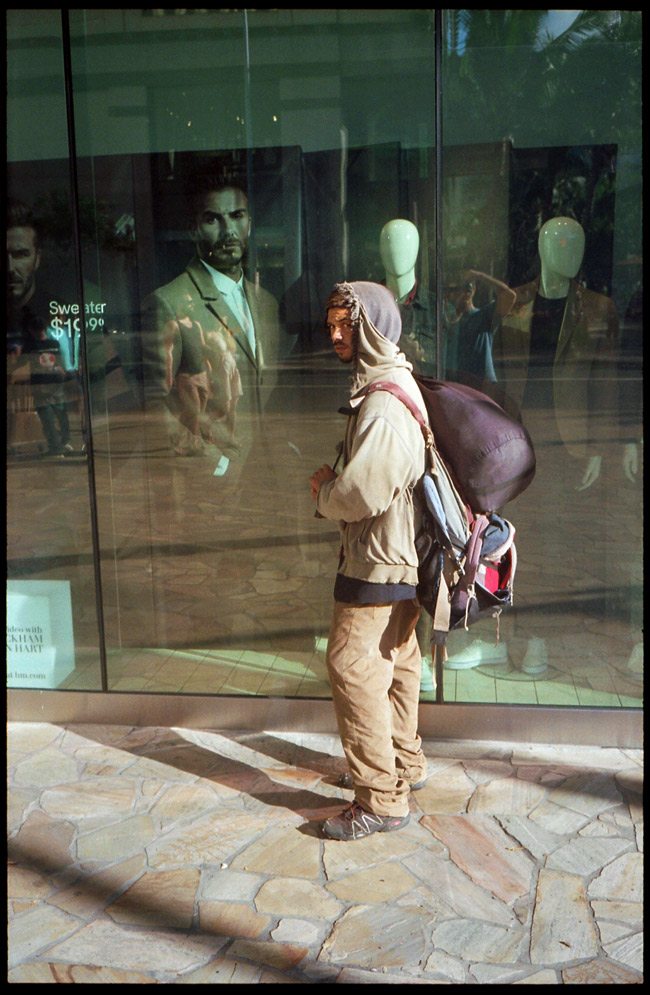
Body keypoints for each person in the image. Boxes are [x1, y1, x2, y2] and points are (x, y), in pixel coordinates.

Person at [445, 216, 620, 675]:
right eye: (559, 242)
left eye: (577, 243)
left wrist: (601, 444)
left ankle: (539, 637)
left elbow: (606, 380)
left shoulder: (598, 309)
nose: (570, 251)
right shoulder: (512, 302)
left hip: (566, 441)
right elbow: (483, 368)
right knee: (495, 536)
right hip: (510, 436)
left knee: (553, 541)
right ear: (541, 248)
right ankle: (496, 634)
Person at [309, 280, 429, 841]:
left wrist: (324, 492)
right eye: (331, 322)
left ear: (373, 327)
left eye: (346, 324)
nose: (335, 333)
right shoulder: (388, 383)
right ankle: (404, 764)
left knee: (352, 667)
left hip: (378, 559)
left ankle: (382, 797)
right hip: (401, 556)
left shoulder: (382, 403)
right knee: (397, 661)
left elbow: (362, 494)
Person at [140, 169, 281, 473]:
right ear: (194, 229)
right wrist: (213, 464)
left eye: (237, 215)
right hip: (209, 482)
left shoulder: (266, 303)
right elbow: (156, 406)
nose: (228, 230)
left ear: (250, 223)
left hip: (266, 472)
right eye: (213, 219)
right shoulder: (170, 302)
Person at [6, 200, 77, 456]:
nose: (9, 268)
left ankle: (60, 441)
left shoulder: (59, 310)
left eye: (21, 254)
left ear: (37, 259)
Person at [379, 219, 437, 376]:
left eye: (405, 246)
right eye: (389, 245)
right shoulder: (368, 308)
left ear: (416, 250)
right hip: (381, 393)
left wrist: (419, 355)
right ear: (381, 251)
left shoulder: (437, 309)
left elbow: (446, 364)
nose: (396, 252)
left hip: (424, 395)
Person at [443, 268, 515, 388]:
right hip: (458, 387)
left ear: (472, 291)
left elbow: (510, 296)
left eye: (465, 289)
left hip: (483, 387)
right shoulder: (445, 322)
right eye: (452, 290)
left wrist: (480, 276)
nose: (459, 294)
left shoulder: (483, 316)